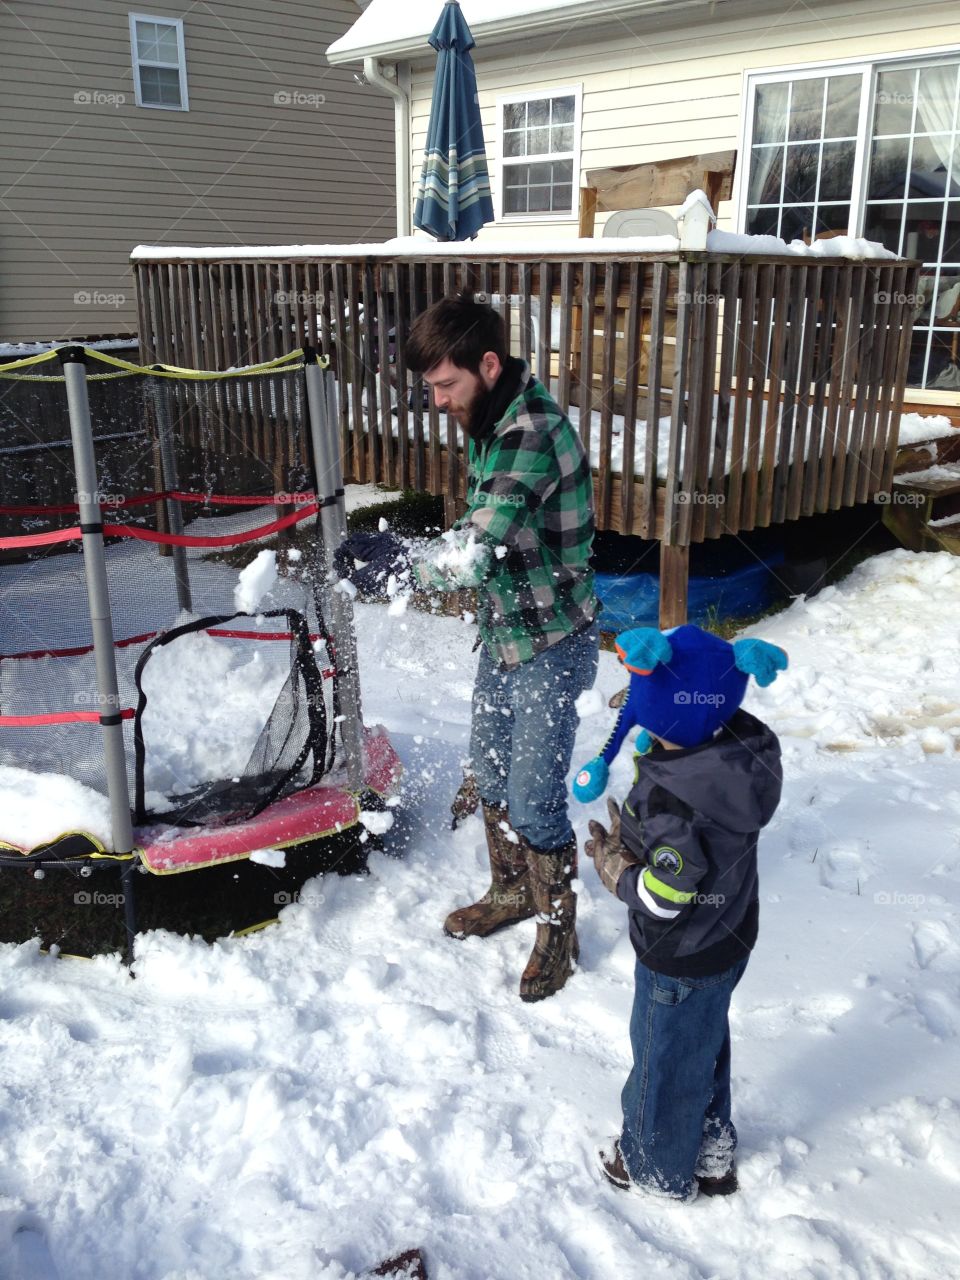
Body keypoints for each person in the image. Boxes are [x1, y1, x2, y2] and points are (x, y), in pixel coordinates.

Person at [405, 292, 599, 1002]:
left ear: (488, 365)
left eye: (446, 385)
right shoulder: (492, 413)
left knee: (535, 799)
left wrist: (391, 567)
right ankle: (512, 892)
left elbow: (477, 551)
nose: (438, 401)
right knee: (490, 774)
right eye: (431, 388)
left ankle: (557, 936)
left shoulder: (531, 431)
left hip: (552, 641)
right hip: (506, 630)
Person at [577, 624, 786, 1199]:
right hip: (729, 935)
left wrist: (619, 872)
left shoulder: (672, 802)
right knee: (702, 1041)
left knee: (663, 1064)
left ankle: (654, 1166)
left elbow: (667, 897)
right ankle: (711, 1151)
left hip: (679, 956)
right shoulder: (737, 750)